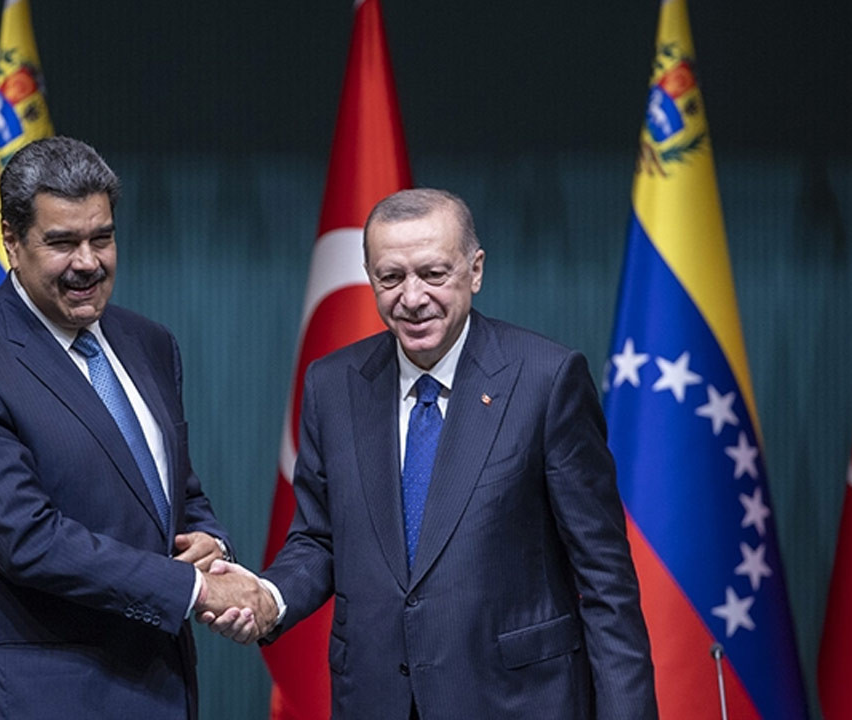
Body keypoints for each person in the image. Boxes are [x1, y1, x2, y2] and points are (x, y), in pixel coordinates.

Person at [216, 189, 657, 718]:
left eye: (432, 274)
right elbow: (319, 538)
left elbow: (605, 579)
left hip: (516, 701)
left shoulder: (547, 380)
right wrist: (269, 597)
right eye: (391, 277)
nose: (412, 297)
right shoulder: (332, 385)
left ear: (475, 270)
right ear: (369, 277)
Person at [0, 136, 272, 718]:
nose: (87, 262)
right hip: (31, 700)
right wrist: (195, 589)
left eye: (101, 238)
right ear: (11, 240)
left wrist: (210, 543)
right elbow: (27, 540)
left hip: (157, 688)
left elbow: (175, 490)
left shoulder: (149, 344)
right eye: (62, 242)